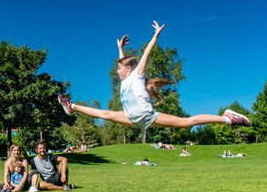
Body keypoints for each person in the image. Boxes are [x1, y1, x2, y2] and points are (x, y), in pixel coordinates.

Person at [58, 21, 251, 130]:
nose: (117, 71)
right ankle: (71, 106)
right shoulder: (126, 79)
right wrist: (119, 49)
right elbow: (123, 63)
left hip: (146, 116)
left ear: (129, 69)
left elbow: (146, 53)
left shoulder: (136, 74)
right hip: (132, 118)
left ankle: (228, 118)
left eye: (119, 69)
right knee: (105, 113)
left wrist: (156, 35)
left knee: (186, 123)